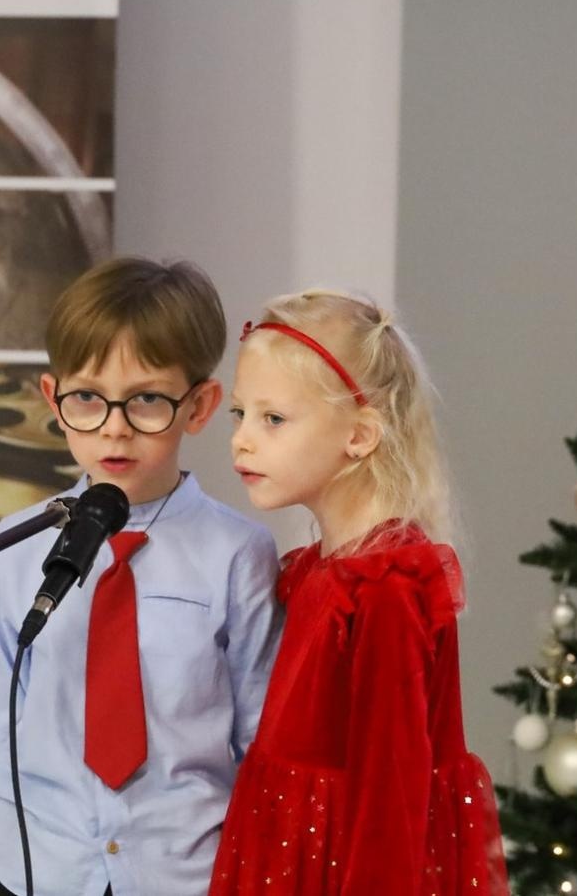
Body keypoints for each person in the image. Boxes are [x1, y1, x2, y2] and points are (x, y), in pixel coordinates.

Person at [0, 257, 281, 896]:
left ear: (199, 405)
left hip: (184, 871)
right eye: (88, 397)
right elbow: (1, 716)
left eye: (145, 399)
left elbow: (261, 742)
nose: (114, 426)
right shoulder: (17, 546)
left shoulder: (238, 554)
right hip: (38, 867)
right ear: (52, 401)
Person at [210, 289, 510, 896]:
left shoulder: (385, 589)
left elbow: (391, 801)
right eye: (239, 414)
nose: (242, 439)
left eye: (273, 419)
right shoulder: (322, 570)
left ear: (360, 435)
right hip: (290, 860)